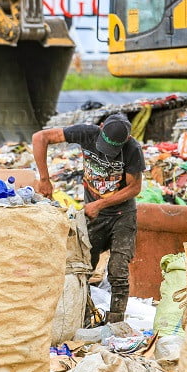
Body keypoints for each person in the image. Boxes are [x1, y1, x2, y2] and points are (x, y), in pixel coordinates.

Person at [32, 113, 145, 323]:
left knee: (118, 269)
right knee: (83, 267)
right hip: (94, 216)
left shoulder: (132, 150)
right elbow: (40, 137)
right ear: (100, 128)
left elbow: (134, 187)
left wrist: (101, 203)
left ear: (127, 140)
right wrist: (44, 179)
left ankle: (115, 323)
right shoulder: (87, 133)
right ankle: (82, 317)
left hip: (122, 215)